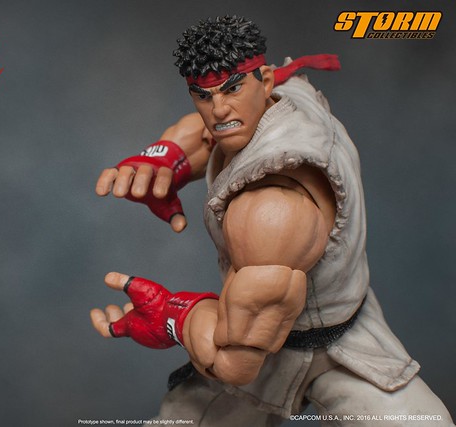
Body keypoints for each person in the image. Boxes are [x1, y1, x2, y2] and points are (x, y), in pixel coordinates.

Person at [90, 16, 453, 426]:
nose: (218, 109)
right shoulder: (287, 91)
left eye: (232, 89)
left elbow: (233, 362)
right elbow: (211, 131)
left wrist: (172, 317)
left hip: (339, 344)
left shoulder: (270, 213)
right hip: (276, 319)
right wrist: (166, 156)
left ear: (262, 81)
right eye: (202, 95)